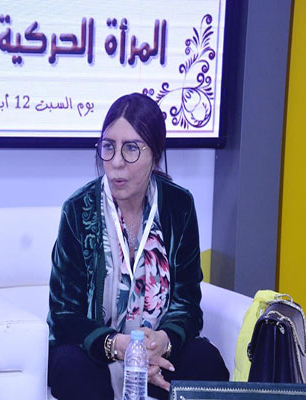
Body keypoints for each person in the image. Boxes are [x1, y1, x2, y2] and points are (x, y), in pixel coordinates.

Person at [47, 93, 229, 400]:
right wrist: (117, 346)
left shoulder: (178, 206)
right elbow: (64, 315)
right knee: (69, 365)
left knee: (205, 360)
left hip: (156, 351)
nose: (116, 162)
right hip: (97, 353)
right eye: (108, 147)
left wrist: (161, 342)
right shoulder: (78, 210)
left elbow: (187, 304)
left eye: (131, 148)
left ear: (155, 154)